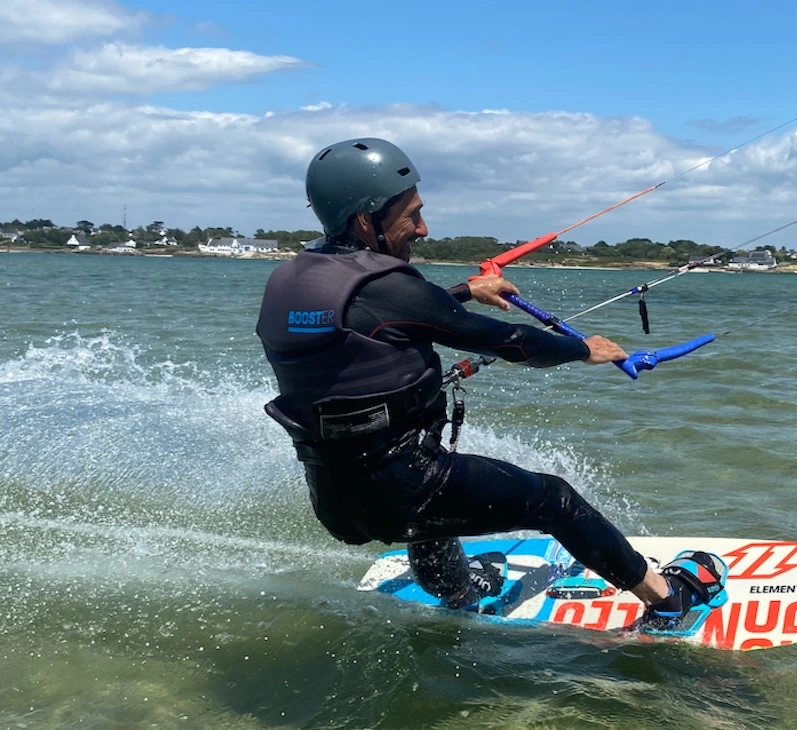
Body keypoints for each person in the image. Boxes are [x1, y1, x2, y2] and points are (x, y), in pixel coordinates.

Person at [256, 137, 724, 627]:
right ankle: (666, 597)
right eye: (410, 215)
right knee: (554, 500)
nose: (422, 227)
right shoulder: (388, 290)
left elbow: (381, 314)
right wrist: (585, 350)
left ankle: (457, 593)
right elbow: (512, 342)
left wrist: (463, 291)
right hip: (401, 483)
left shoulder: (290, 281)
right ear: (364, 219)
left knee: (430, 510)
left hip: (335, 496)